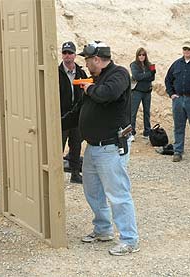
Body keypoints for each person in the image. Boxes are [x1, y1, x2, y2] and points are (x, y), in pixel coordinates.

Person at [63, 41, 139, 256]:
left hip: (111, 147)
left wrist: (89, 88)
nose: (85, 64)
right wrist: (54, 124)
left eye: (87, 60)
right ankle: (103, 229)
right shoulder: (93, 81)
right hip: (94, 147)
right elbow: (78, 112)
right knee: (93, 191)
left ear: (96, 59)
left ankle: (129, 239)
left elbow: (108, 94)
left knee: (118, 194)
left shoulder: (119, 74)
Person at [59, 41, 87, 184]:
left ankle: (75, 173)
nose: (67, 56)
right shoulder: (56, 73)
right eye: (65, 53)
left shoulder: (81, 73)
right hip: (62, 117)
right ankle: (56, 176)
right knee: (58, 147)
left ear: (75, 55)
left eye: (70, 53)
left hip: (76, 117)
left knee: (76, 145)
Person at [130, 47, 156, 140]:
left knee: (147, 112)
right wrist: (149, 74)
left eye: (143, 55)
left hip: (147, 92)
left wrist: (146, 76)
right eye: (140, 55)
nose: (141, 56)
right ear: (137, 55)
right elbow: (136, 76)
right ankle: (131, 132)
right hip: (136, 91)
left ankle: (147, 132)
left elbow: (153, 78)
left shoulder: (150, 64)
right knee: (133, 112)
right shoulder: (133, 65)